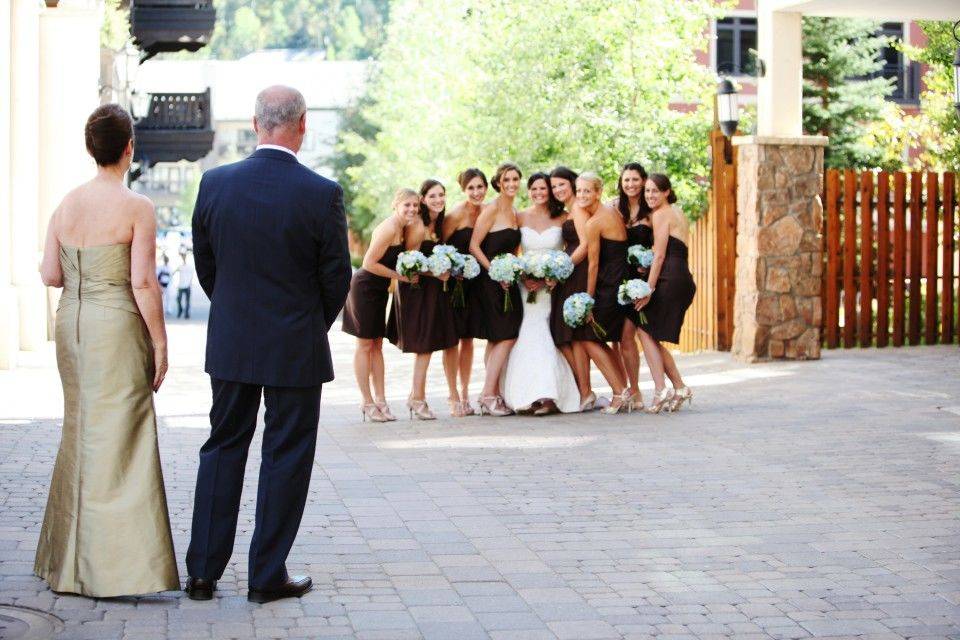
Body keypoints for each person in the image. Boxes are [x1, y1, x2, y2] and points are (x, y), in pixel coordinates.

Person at [185, 86, 352, 604]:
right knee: (286, 454)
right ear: (302, 125)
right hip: (295, 345)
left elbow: (207, 265)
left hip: (233, 341)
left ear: (256, 125)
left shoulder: (215, 183)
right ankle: (265, 575)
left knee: (223, 447)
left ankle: (202, 574)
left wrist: (235, 312)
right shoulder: (322, 193)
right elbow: (336, 278)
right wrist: (306, 323)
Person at [35, 103, 179, 597]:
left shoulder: (65, 205)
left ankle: (67, 564)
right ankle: (116, 568)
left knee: (80, 431)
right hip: (114, 324)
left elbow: (51, 274)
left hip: (70, 325)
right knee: (122, 436)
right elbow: (142, 281)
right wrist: (160, 342)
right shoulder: (136, 207)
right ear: (128, 148)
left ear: (90, 148)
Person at [501, 172, 579, 414]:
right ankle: (525, 394)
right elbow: (514, 253)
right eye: (533, 189)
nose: (538, 193)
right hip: (525, 287)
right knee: (526, 333)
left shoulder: (564, 217)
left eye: (543, 189)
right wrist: (523, 276)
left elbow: (572, 248)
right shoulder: (520, 215)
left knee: (548, 334)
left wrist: (552, 277)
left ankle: (549, 395)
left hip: (552, 286)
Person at [343, 189, 419, 422]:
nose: (412, 210)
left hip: (379, 289)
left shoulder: (403, 228)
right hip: (365, 287)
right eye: (407, 205)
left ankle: (381, 400)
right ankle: (366, 401)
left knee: (377, 344)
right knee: (365, 345)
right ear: (395, 205)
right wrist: (401, 276)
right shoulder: (388, 227)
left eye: (415, 206)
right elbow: (368, 263)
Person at [386, 179, 458, 419]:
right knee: (424, 346)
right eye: (432, 196)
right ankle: (417, 399)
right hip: (415, 290)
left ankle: (415, 396)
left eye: (442, 195)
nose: (438, 200)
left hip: (433, 291)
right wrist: (435, 271)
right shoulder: (417, 225)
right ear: (423, 199)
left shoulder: (438, 224)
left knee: (430, 344)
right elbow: (409, 263)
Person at [635, 173, 696, 413]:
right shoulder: (677, 213)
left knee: (645, 329)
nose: (650, 195)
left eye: (654, 191)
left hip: (669, 278)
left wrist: (648, 289)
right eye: (647, 191)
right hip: (682, 276)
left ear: (666, 192)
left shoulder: (661, 214)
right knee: (649, 332)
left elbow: (660, 255)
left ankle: (662, 390)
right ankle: (678, 387)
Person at [469, 162, 524, 416]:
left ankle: (494, 393)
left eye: (515, 179)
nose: (512, 184)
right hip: (491, 281)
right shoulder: (491, 209)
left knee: (497, 338)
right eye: (507, 180)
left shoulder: (514, 212)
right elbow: (474, 246)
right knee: (507, 335)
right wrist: (495, 271)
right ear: (499, 183)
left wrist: (512, 270)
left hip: (509, 281)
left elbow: (513, 249)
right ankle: (488, 394)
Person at [577, 173, 633, 414]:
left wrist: (588, 301)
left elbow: (593, 264)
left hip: (609, 287)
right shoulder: (611, 212)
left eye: (587, 191)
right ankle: (623, 390)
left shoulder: (594, 222)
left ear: (598, 193)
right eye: (578, 191)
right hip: (619, 282)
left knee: (589, 339)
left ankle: (620, 393)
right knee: (601, 339)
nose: (581, 195)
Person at [548, 166, 596, 410]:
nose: (557, 190)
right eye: (554, 186)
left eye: (561, 184)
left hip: (577, 271)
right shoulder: (571, 209)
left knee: (570, 335)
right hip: (570, 271)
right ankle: (583, 389)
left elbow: (586, 244)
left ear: (572, 183)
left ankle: (585, 390)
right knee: (565, 336)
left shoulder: (578, 206)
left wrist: (562, 268)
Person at [441, 168, 488, 417]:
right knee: (453, 340)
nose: (476, 192)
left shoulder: (488, 211)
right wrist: (450, 268)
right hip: (454, 285)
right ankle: (453, 395)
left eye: (480, 186)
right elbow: (440, 246)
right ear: (463, 190)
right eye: (471, 188)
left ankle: (466, 391)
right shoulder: (456, 215)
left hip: (476, 284)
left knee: (468, 339)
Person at [609, 163, 651, 408]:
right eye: (626, 180)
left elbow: (661, 244)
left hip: (640, 280)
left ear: (644, 181)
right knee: (615, 337)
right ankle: (622, 388)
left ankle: (635, 390)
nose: (631, 184)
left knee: (627, 336)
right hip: (616, 276)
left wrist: (649, 263)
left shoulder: (651, 210)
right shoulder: (614, 207)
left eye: (635, 179)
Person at [175, 250, 194, 319]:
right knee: (178, 299)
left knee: (187, 300)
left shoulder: (190, 266)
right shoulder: (180, 265)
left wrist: (190, 283)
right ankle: (180, 309)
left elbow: (192, 276)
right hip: (181, 285)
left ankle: (186, 313)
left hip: (187, 285)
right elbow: (174, 272)